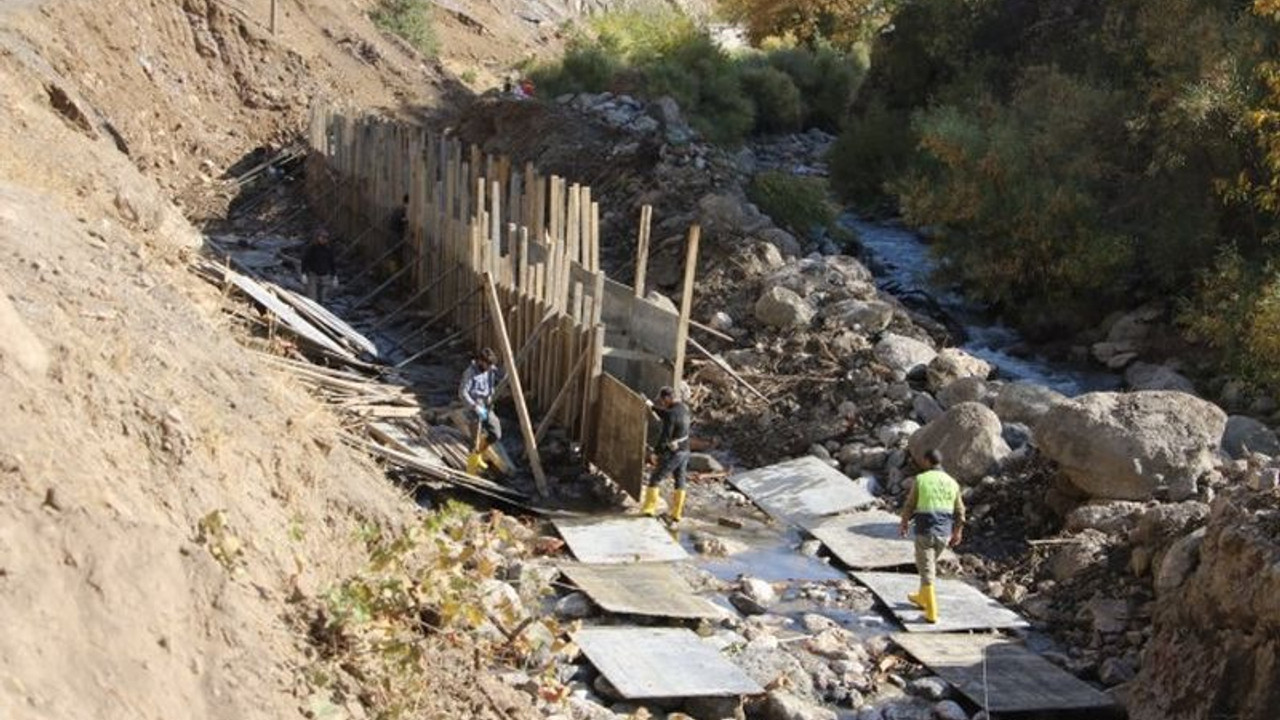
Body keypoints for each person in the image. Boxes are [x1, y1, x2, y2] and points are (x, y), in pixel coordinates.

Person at [897, 449, 965, 623]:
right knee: (928, 565)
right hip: (944, 534)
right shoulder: (952, 482)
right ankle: (921, 597)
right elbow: (960, 511)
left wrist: (904, 522)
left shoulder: (922, 479)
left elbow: (910, 505)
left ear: (927, 461)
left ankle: (931, 612)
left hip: (925, 531)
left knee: (926, 569)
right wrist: (957, 531)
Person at [642, 386, 691, 522]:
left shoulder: (671, 414)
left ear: (668, 398)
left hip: (675, 453)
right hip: (685, 451)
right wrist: (651, 406)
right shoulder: (683, 408)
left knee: (655, 478)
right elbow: (666, 414)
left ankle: (649, 509)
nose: (662, 403)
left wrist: (656, 452)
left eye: (663, 400)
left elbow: (665, 436)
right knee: (680, 481)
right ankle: (676, 514)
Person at [460, 348, 503, 476]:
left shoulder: (490, 369)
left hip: (487, 405)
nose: (490, 367)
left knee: (496, 433)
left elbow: (497, 377)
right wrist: (475, 407)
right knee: (474, 441)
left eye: (491, 365)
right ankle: (471, 471)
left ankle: (479, 454)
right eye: (487, 365)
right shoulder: (470, 373)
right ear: (480, 361)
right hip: (474, 407)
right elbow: (462, 393)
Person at [300, 228, 337, 303]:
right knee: (312, 298)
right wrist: (303, 273)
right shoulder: (312, 248)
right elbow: (305, 260)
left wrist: (334, 276)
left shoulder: (328, 250)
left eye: (326, 238)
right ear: (318, 238)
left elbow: (332, 262)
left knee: (322, 298)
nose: (324, 240)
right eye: (322, 237)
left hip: (325, 276)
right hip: (313, 275)